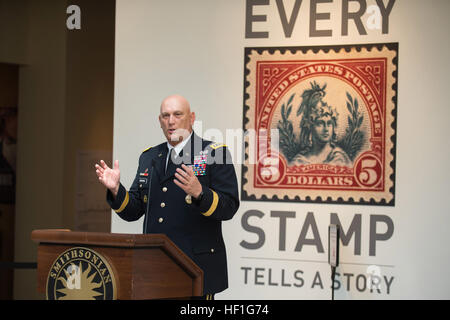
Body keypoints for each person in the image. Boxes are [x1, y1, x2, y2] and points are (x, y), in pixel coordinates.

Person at [95, 94, 239, 299]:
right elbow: (134, 210)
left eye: (177, 114)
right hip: (153, 266)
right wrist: (117, 190)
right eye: (165, 116)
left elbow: (229, 207)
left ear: (191, 118)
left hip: (194, 267)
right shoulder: (150, 156)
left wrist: (200, 193)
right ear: (159, 121)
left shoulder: (213, 153)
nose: (170, 121)